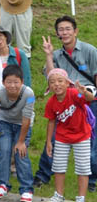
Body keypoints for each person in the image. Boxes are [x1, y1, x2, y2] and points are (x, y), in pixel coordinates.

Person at [35, 15, 97, 191]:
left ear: (75, 31)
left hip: (86, 100)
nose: (64, 32)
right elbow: (50, 75)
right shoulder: (56, 54)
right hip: (64, 100)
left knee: (91, 141)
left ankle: (91, 180)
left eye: (68, 28)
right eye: (61, 29)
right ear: (57, 33)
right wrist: (48, 55)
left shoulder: (89, 50)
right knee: (55, 138)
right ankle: (43, 176)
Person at [0, 24, 32, 171]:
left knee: (17, 131)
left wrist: (27, 100)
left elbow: (26, 78)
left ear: (6, 37)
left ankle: (15, 166)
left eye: (0, 36)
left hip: (19, 98)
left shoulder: (19, 54)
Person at [0, 64, 35, 202]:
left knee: (21, 154)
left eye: (16, 82)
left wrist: (20, 142)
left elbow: (26, 119)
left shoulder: (29, 94)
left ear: (22, 82)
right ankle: (2, 185)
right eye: (9, 82)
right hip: (4, 124)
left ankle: (27, 190)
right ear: (4, 82)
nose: (12, 85)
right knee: (4, 152)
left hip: (22, 125)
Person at [44, 68, 95, 202]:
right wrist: (49, 141)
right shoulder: (51, 102)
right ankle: (58, 195)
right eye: (52, 82)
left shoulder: (74, 94)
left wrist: (84, 92)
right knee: (58, 166)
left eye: (60, 81)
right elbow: (51, 122)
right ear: (49, 86)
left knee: (83, 168)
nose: (57, 84)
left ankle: (81, 197)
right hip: (62, 137)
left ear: (67, 83)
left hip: (82, 135)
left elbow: (90, 99)